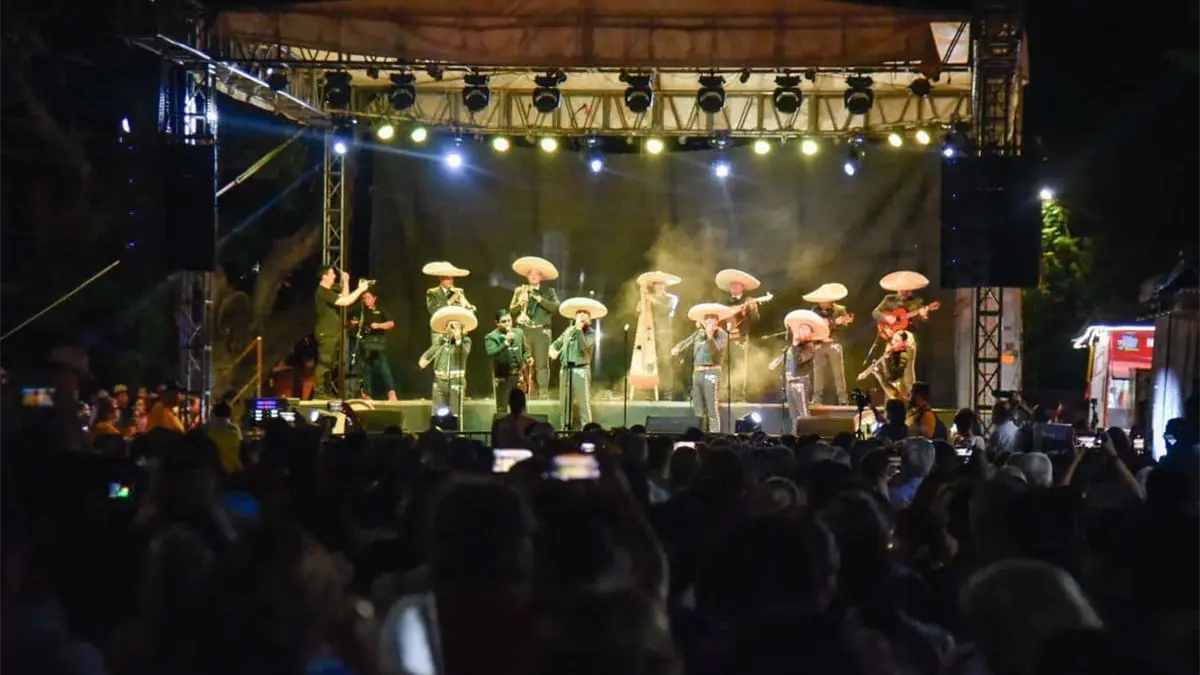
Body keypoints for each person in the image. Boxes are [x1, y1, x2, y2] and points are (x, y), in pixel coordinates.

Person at [671, 303, 733, 433]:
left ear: (717, 321)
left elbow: (715, 351)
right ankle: (700, 434)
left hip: (711, 372)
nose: (708, 322)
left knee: (711, 407)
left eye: (711, 319)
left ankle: (714, 435)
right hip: (697, 373)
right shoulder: (698, 333)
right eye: (706, 319)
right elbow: (687, 341)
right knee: (698, 408)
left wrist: (710, 336)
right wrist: (677, 348)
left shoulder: (722, 335)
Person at [313, 265, 371, 399]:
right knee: (325, 362)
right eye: (332, 273)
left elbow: (344, 296)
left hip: (333, 332)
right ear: (324, 276)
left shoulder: (330, 291)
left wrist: (346, 281)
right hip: (326, 332)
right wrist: (360, 289)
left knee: (331, 363)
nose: (334, 276)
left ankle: (326, 391)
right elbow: (345, 301)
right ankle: (318, 392)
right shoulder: (322, 291)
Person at [549, 297, 606, 429]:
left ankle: (587, 433)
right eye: (579, 313)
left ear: (589, 319)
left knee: (584, 405)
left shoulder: (591, 333)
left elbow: (583, 347)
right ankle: (564, 431)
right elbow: (556, 345)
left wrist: (579, 329)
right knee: (564, 405)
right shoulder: (568, 331)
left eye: (584, 313)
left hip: (581, 370)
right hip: (565, 370)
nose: (581, 315)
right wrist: (552, 351)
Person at [870, 270, 938, 378]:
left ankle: (905, 381)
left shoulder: (917, 301)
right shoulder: (888, 299)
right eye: (901, 289)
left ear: (911, 290)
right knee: (888, 362)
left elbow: (923, 320)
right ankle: (888, 378)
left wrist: (924, 314)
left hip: (908, 336)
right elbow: (875, 313)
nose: (904, 292)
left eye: (907, 290)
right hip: (890, 334)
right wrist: (886, 318)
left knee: (905, 366)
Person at [509, 256, 561, 398]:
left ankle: (543, 391)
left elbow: (557, 308)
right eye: (530, 274)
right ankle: (524, 390)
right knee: (523, 361)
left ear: (541, 277)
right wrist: (519, 304)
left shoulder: (548, 291)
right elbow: (511, 311)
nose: (533, 277)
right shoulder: (520, 291)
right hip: (524, 330)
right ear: (527, 276)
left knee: (542, 363)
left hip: (541, 330)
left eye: (536, 274)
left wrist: (541, 300)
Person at [769, 309, 829, 431]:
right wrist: (776, 363)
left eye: (806, 330)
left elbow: (798, 360)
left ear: (810, 334)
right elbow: (785, 357)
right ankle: (795, 436)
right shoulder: (792, 346)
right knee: (794, 416)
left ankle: (808, 436)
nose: (802, 332)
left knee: (803, 414)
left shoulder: (810, 347)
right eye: (801, 329)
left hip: (800, 383)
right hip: (789, 383)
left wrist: (795, 346)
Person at [715, 268, 765, 401]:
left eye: (737, 285)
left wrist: (753, 309)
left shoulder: (748, 301)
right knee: (722, 365)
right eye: (732, 285)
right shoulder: (723, 302)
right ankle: (722, 394)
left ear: (742, 287)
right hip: (724, 338)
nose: (734, 287)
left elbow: (755, 321)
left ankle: (738, 396)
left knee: (739, 366)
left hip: (740, 338)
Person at [419, 306, 476, 420]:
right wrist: (441, 342)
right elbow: (424, 360)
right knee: (438, 417)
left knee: (455, 417)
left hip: (456, 383)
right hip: (439, 383)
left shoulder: (465, 341)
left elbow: (463, 354)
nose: (452, 328)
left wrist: (458, 338)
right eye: (450, 326)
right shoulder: (440, 342)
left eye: (455, 326)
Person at [632, 270, 681, 400]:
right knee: (650, 361)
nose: (658, 286)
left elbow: (666, 310)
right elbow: (641, 316)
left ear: (665, 285)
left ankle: (667, 391)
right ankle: (651, 390)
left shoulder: (671, 298)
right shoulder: (648, 299)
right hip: (650, 334)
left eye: (661, 284)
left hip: (664, 334)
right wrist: (640, 307)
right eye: (656, 284)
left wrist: (652, 299)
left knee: (665, 362)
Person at [803, 282, 854, 405]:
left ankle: (842, 399)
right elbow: (813, 326)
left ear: (830, 300)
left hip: (833, 343)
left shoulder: (840, 310)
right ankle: (817, 398)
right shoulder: (814, 310)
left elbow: (844, 327)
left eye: (824, 300)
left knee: (838, 372)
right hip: (819, 344)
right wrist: (833, 322)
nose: (821, 303)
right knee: (818, 373)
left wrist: (839, 323)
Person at [484, 309, 531, 414]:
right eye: (504, 321)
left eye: (509, 320)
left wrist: (527, 358)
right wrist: (505, 343)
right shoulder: (491, 337)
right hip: (503, 378)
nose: (507, 324)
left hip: (518, 376)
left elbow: (525, 350)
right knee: (502, 410)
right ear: (497, 323)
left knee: (521, 410)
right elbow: (491, 353)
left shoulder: (519, 333)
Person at [355, 290, 398, 401]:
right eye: (364, 298)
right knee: (366, 368)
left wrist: (379, 325)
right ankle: (366, 393)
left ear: (374, 298)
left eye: (368, 297)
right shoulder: (362, 312)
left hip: (378, 343)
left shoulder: (381, 310)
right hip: (365, 343)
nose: (366, 300)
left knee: (383, 365)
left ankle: (391, 392)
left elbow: (391, 323)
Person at [858, 329, 917, 401]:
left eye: (897, 341)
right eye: (893, 340)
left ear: (904, 343)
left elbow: (893, 375)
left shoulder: (904, 355)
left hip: (900, 388)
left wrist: (884, 364)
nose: (893, 342)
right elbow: (879, 362)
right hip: (892, 388)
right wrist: (866, 372)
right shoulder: (892, 351)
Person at [422, 261, 473, 340]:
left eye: (452, 278)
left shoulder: (458, 291)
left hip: (457, 331)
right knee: (441, 348)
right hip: (440, 332)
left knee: (457, 347)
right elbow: (433, 310)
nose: (451, 281)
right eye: (448, 278)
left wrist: (469, 308)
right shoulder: (432, 292)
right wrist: (450, 300)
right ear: (441, 278)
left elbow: (466, 308)